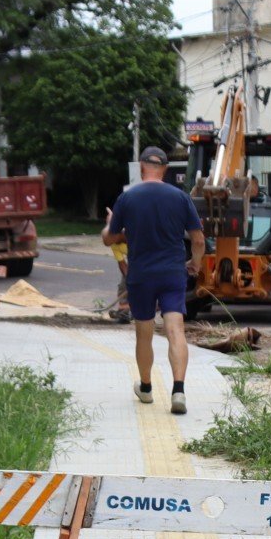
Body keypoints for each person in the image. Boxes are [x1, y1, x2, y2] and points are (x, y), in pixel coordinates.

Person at [102, 148, 205, 413]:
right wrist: (196, 263)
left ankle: (146, 388)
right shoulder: (181, 197)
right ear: (165, 169)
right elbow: (198, 239)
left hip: (141, 275)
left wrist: (111, 223)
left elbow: (109, 239)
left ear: (140, 167)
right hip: (172, 273)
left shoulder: (128, 198)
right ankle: (178, 391)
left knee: (144, 333)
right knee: (175, 330)